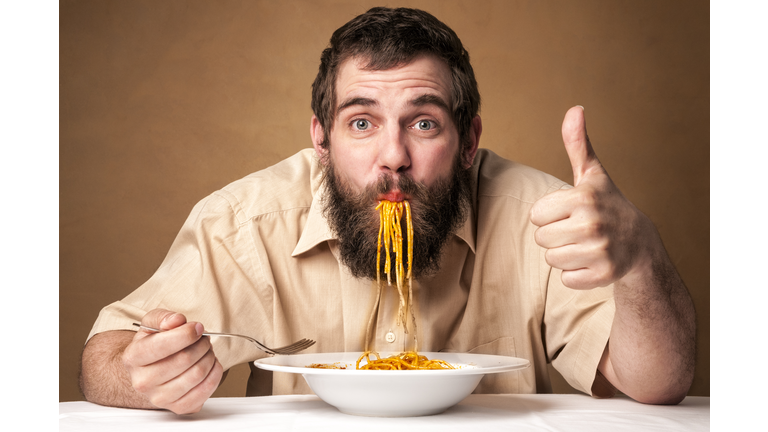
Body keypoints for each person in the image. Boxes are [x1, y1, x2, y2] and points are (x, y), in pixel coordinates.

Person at [79, 7, 696, 415]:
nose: (393, 157)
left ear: (469, 138)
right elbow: (102, 358)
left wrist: (642, 256)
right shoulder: (246, 222)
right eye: (362, 123)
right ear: (321, 140)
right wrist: (141, 375)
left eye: (423, 122)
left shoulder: (542, 215)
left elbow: (656, 383)